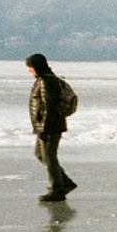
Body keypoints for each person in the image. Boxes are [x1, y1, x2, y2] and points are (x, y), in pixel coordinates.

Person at [26, 53, 77, 201]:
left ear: (36, 67)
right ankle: (65, 182)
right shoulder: (43, 80)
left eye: (30, 67)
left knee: (50, 157)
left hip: (50, 127)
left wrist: (44, 129)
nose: (29, 70)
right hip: (46, 126)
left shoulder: (47, 82)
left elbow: (49, 106)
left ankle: (57, 190)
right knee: (41, 154)